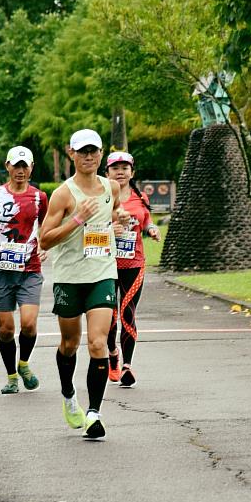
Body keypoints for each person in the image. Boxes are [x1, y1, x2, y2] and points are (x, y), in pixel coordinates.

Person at [39, 129, 129, 440]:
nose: (88, 156)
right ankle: (68, 395)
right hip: (69, 277)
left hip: (102, 272)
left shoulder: (111, 187)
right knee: (69, 344)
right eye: (82, 151)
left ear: (101, 153)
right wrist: (77, 219)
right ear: (71, 154)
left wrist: (120, 222)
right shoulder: (63, 194)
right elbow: (45, 239)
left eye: (93, 150)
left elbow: (112, 215)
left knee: (97, 343)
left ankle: (94, 413)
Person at [0, 147, 48, 395]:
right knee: (6, 329)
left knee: (28, 324)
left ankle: (24, 364)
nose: (20, 171)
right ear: (7, 166)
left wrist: (46, 247)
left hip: (30, 269)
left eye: (24, 166)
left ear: (31, 168)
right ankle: (11, 377)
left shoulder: (40, 197)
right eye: (15, 166)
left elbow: (48, 227)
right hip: (2, 270)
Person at [104, 151, 161, 387]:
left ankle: (127, 365)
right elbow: (90, 227)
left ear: (132, 172)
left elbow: (146, 220)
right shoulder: (102, 197)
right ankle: (112, 354)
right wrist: (110, 229)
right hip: (105, 264)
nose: (120, 171)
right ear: (106, 173)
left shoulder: (140, 197)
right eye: (115, 167)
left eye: (125, 168)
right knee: (108, 316)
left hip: (134, 263)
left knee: (128, 312)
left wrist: (152, 229)